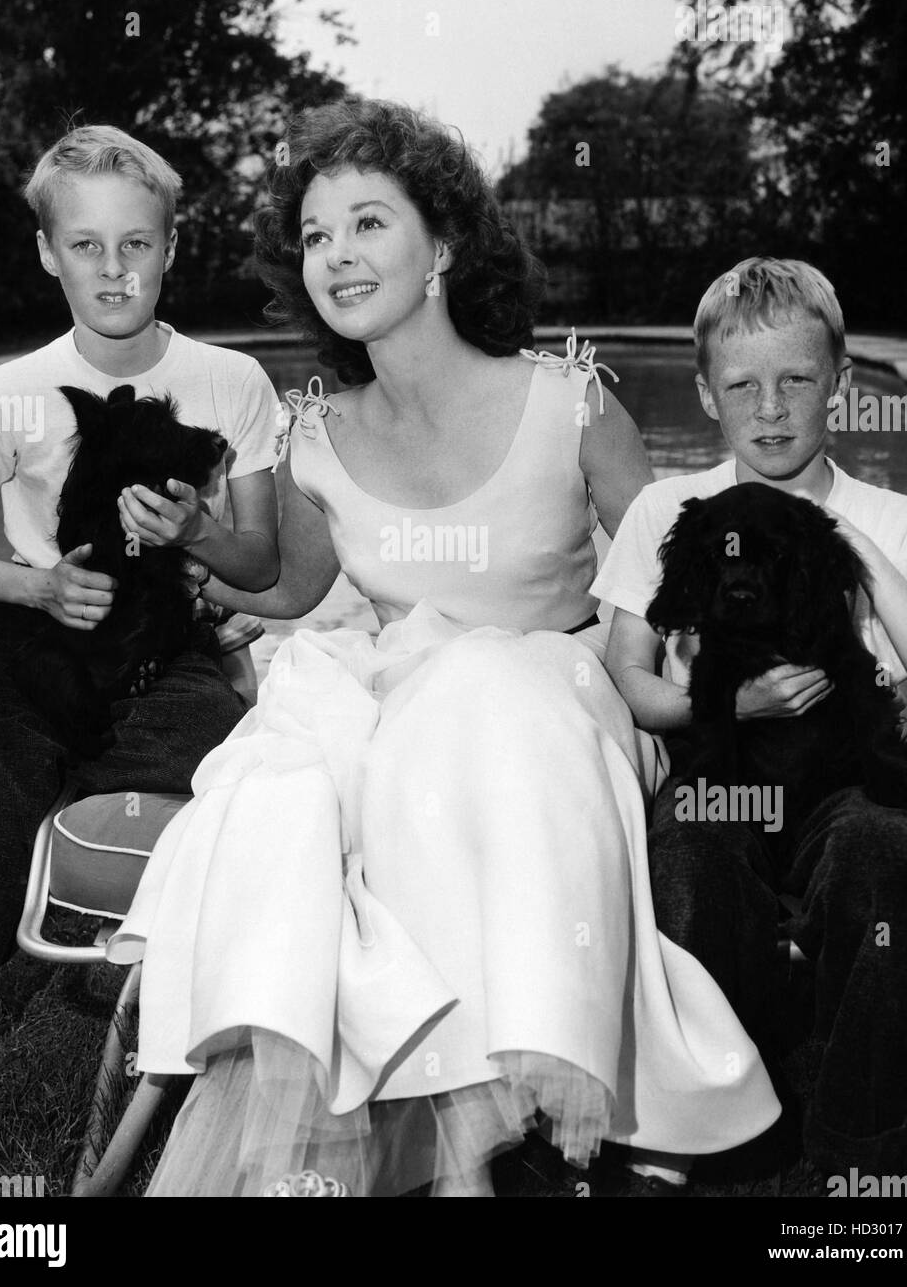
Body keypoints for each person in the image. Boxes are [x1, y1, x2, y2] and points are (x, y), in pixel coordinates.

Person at [108, 98, 780, 1198]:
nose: (337, 255)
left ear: (446, 247)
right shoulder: (314, 431)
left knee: (474, 677)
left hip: (561, 704)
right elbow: (292, 583)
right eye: (318, 236)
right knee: (290, 777)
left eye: (369, 223)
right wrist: (195, 535)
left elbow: (678, 565)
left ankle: (544, 1083)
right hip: (401, 706)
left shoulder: (570, 403)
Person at [0, 125, 282, 1084]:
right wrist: (36, 583)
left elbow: (260, 558)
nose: (113, 270)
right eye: (86, 245)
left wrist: (195, 533)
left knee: (202, 783)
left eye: (136, 244)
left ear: (170, 247)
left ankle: (108, 932)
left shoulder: (230, 382)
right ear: (48, 252)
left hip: (163, 642)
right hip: (35, 639)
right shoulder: (10, 392)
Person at [599, 257, 907, 1183]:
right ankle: (719, 1121)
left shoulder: (901, 516)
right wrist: (726, 701)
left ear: (840, 383)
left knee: (884, 862)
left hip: (850, 783)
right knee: (692, 858)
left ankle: (854, 1149)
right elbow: (627, 675)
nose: (771, 408)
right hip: (724, 772)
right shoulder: (664, 509)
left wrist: (846, 543)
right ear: (707, 397)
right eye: (743, 386)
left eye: (797, 380)